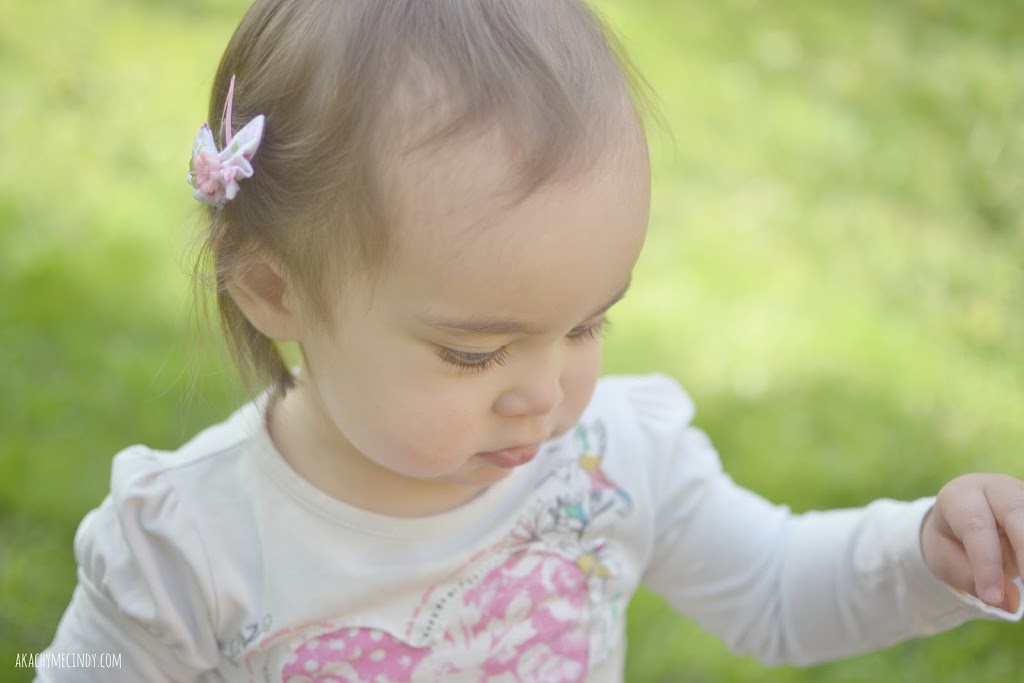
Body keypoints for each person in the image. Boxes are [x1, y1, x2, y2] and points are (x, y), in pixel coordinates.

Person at [38, 1, 1022, 681]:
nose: (545, 394)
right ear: (271, 289)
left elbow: (771, 588)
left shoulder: (608, 462)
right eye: (474, 352)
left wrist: (924, 551)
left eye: (587, 322)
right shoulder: (183, 546)